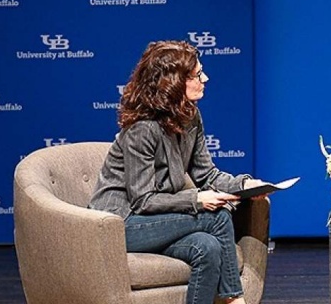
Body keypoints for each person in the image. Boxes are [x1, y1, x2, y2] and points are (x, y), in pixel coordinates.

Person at [90, 40, 264, 304]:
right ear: (173, 82)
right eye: (197, 75)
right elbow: (143, 200)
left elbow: (207, 175)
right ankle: (235, 300)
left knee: (208, 247)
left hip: (157, 219)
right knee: (217, 217)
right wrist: (196, 200)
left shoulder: (190, 116)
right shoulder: (142, 129)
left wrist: (245, 185)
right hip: (120, 224)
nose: (206, 79)